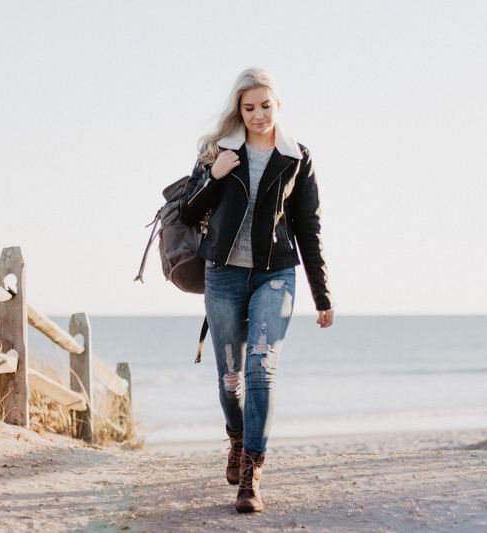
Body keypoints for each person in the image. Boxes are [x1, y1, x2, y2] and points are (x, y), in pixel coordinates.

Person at [178, 67, 333, 513]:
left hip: (276, 275)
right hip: (223, 274)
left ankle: (252, 474)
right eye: (249, 108)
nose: (259, 115)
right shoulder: (217, 152)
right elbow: (188, 214)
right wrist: (216, 177)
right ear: (238, 110)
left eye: (266, 105)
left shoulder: (297, 157)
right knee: (231, 378)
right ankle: (237, 436)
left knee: (261, 368)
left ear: (277, 105)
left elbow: (308, 226)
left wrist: (322, 295)